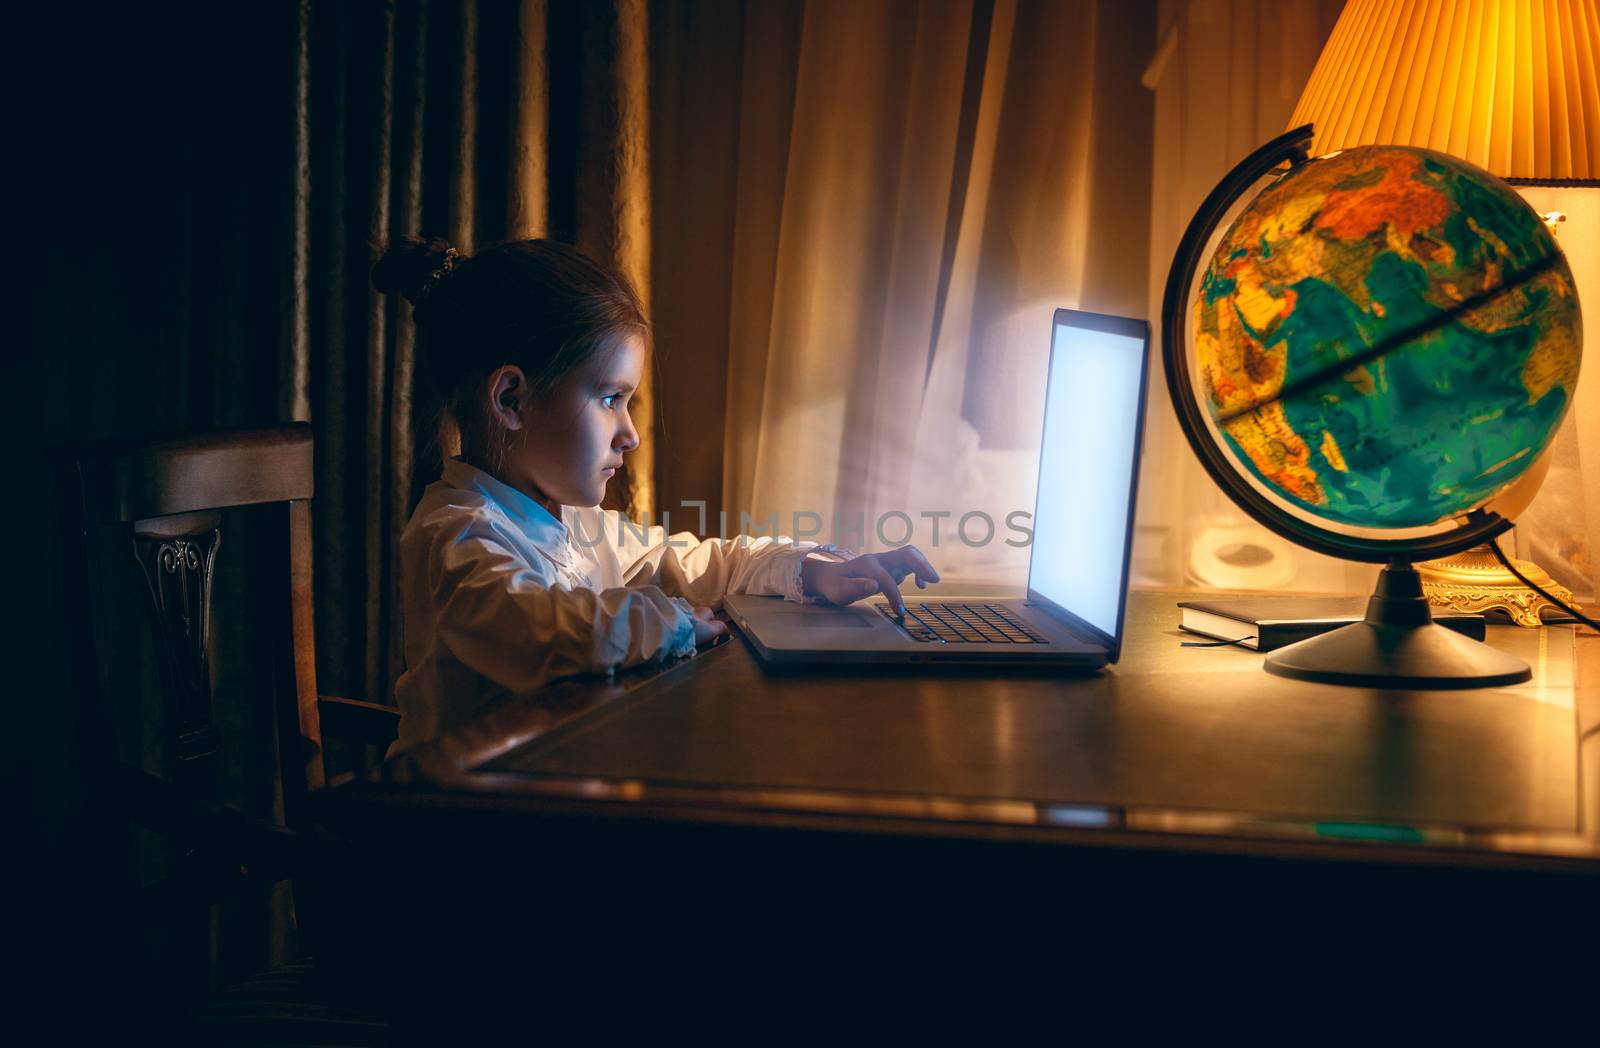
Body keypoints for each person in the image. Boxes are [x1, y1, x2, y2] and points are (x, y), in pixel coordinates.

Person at [372, 236, 939, 750]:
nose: (631, 434)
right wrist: (674, 621)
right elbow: (537, 633)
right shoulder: (457, 533)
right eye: (609, 399)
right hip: (454, 833)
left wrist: (815, 568)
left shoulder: (574, 525)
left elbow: (704, 561)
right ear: (512, 399)